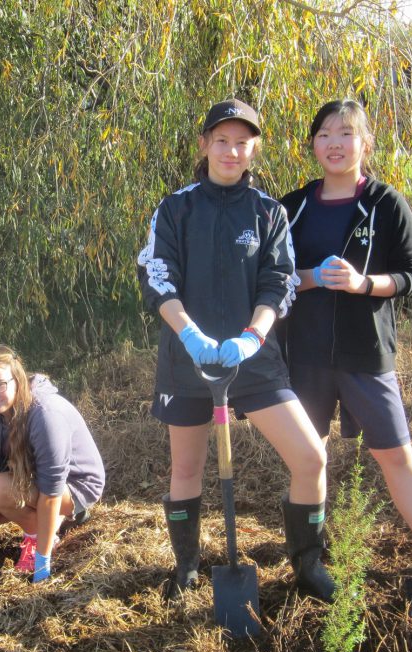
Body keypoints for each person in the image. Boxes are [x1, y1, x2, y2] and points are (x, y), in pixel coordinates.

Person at [277, 99, 412, 603]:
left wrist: (365, 284)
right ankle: (310, 564)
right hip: (304, 356)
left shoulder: (387, 203)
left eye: (346, 133)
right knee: (309, 457)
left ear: (365, 144)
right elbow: (271, 279)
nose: (335, 143)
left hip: (367, 354)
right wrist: (309, 279)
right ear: (313, 145)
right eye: (324, 134)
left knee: (396, 455)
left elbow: (411, 275)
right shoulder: (293, 206)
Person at [137, 98, 335, 601]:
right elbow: (157, 277)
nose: (231, 150)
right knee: (185, 469)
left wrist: (252, 336)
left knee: (310, 458)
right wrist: (191, 336)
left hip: (253, 361)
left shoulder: (269, 213)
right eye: (221, 140)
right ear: (204, 145)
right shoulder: (175, 208)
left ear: (254, 149)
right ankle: (186, 566)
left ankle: (307, 566)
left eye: (242, 141)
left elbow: (280, 282)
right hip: (188, 361)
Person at [0, 344, 105, 586]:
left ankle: (42, 534)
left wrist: (43, 564)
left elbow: (51, 491)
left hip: (74, 485)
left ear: (18, 380)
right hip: (28, 479)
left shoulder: (45, 414)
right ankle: (47, 524)